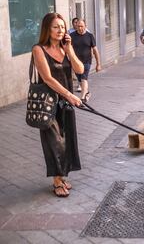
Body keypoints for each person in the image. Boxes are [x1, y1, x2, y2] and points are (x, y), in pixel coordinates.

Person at [32, 12, 84, 197]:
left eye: (62, 27)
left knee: (66, 139)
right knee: (54, 142)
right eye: (56, 26)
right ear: (47, 28)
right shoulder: (39, 49)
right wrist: (70, 95)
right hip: (49, 103)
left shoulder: (64, 48)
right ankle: (57, 181)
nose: (60, 30)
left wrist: (69, 50)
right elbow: (47, 78)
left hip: (66, 103)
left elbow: (80, 69)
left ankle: (62, 176)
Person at [70, 19, 101, 102]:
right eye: (78, 26)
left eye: (82, 26)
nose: (80, 28)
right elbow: (68, 49)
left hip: (86, 61)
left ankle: (83, 98)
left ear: (85, 26)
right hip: (76, 62)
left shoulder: (90, 36)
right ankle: (87, 92)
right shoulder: (72, 36)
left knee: (84, 78)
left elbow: (95, 50)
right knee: (80, 80)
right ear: (76, 26)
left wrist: (98, 64)